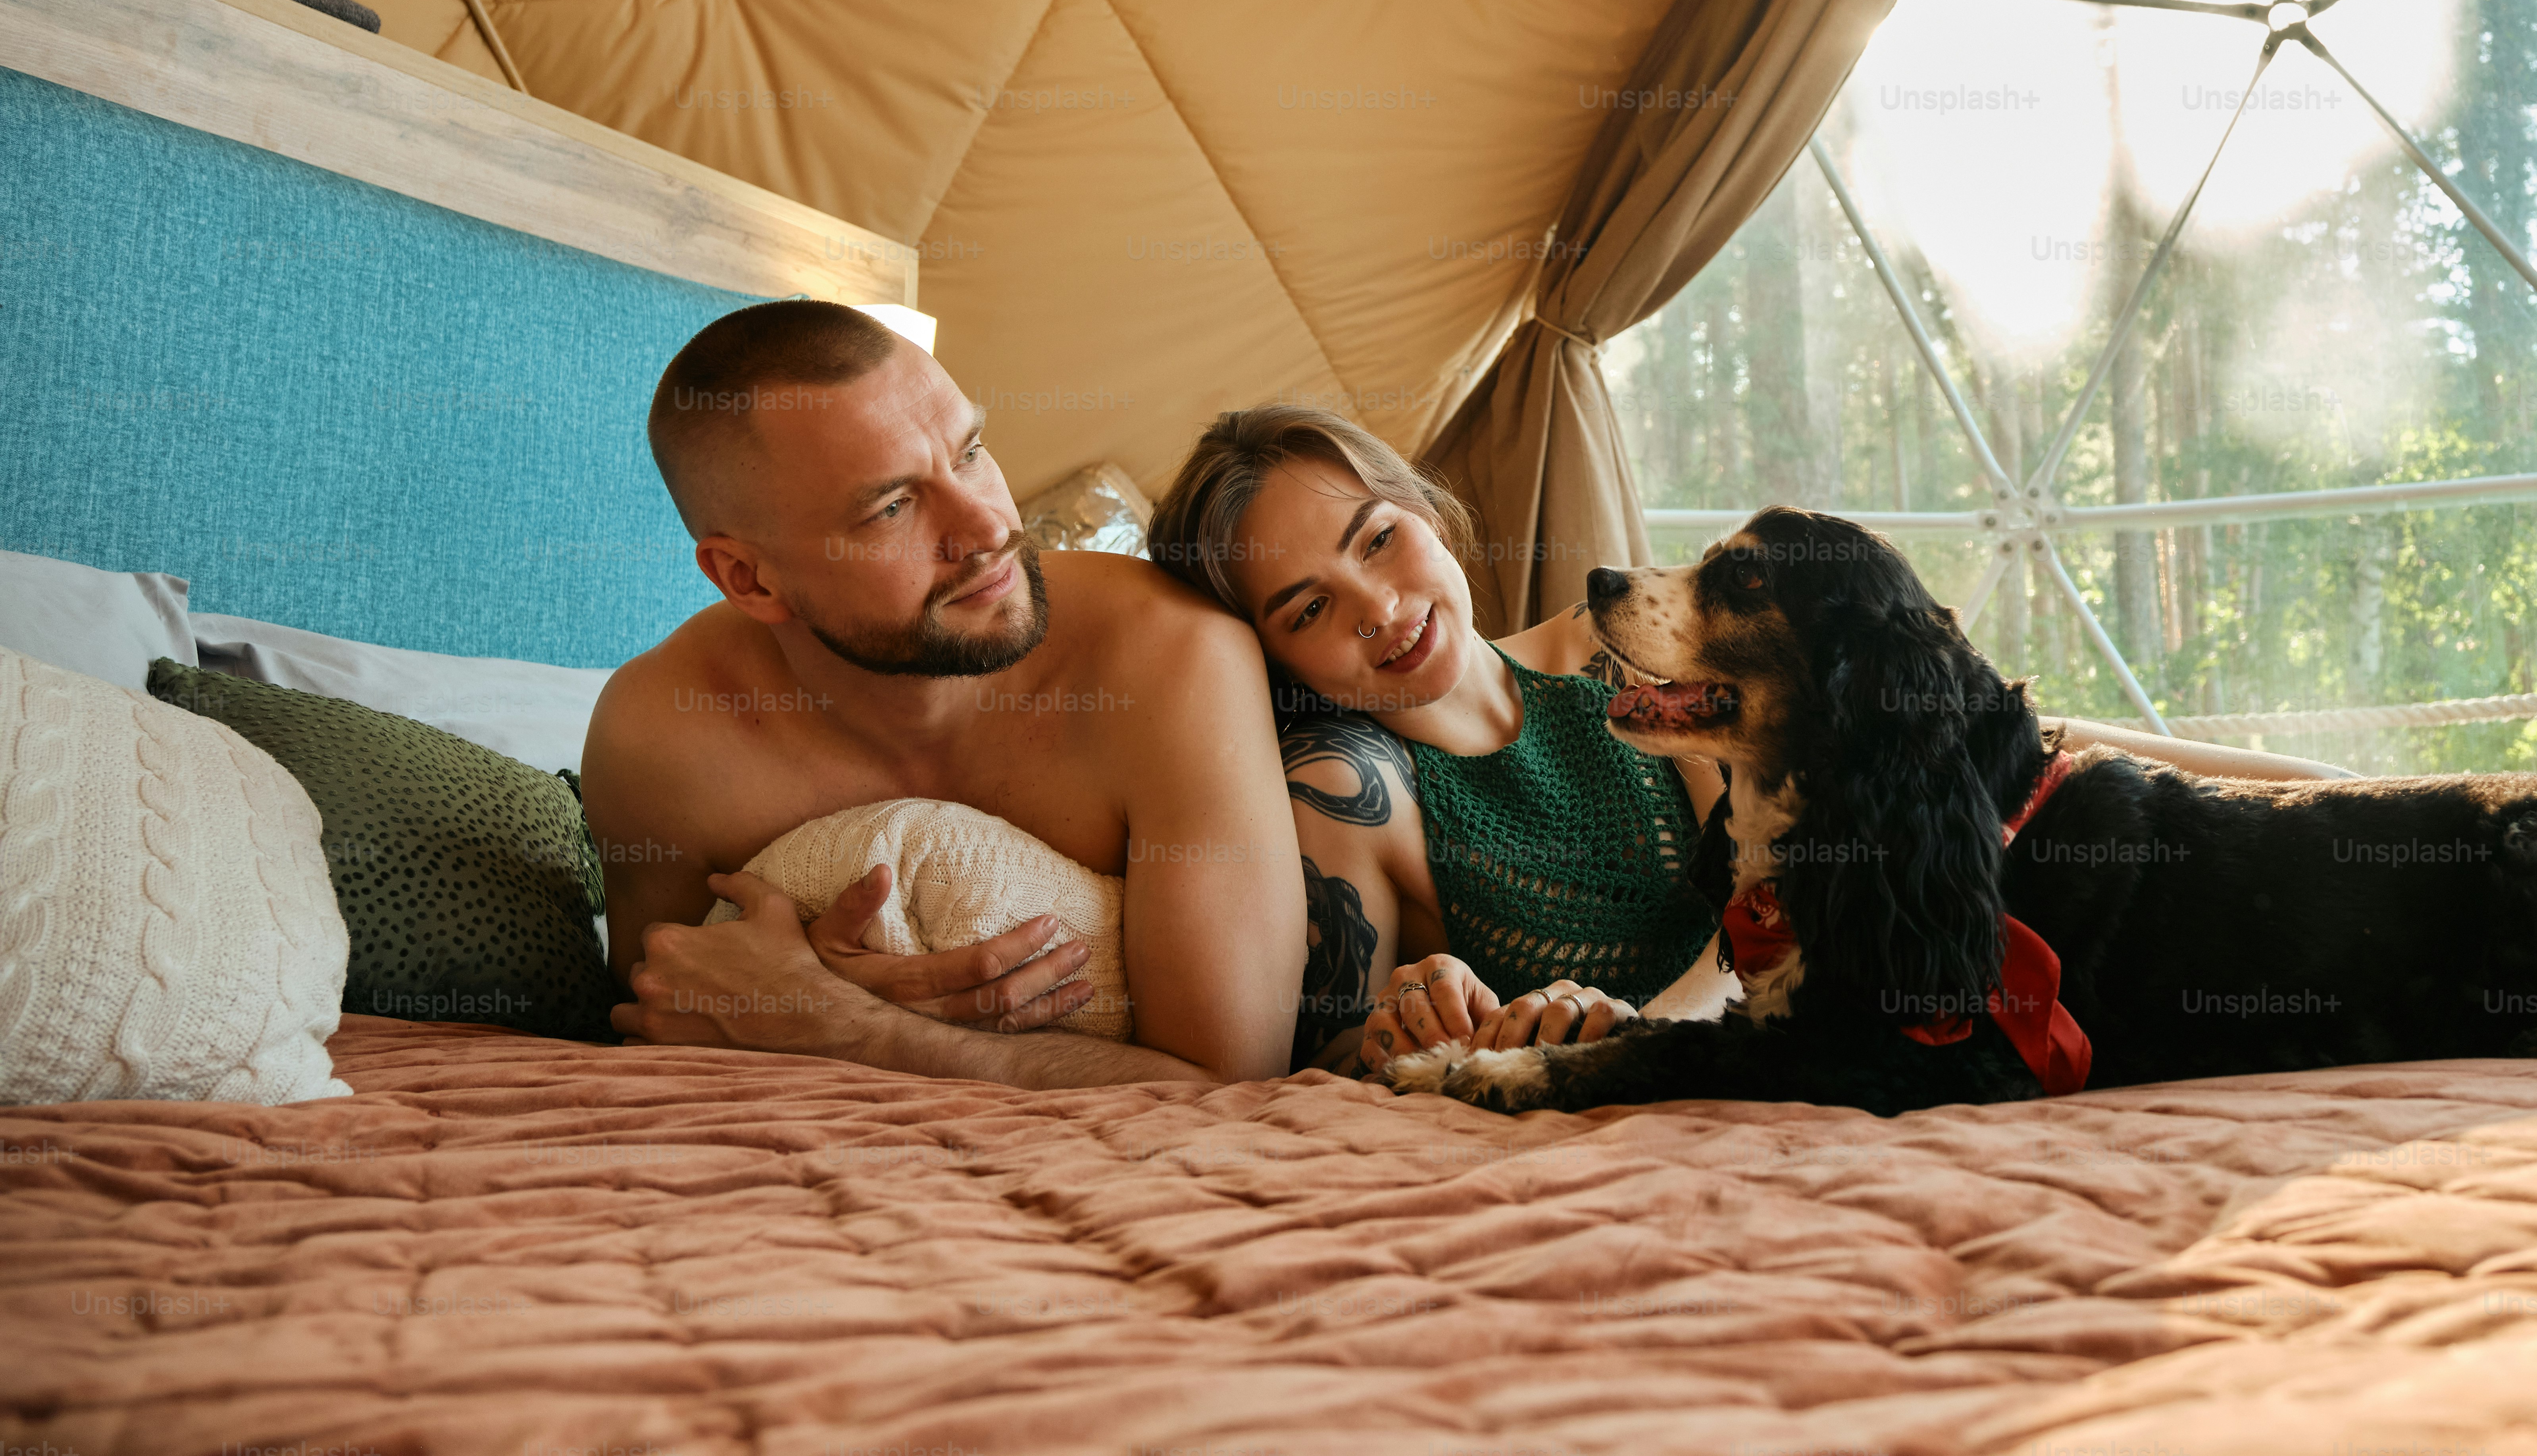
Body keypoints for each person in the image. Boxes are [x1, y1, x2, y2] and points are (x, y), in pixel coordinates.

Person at [1144, 406, 2344, 1080]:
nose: (1377, 608)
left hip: (1767, 1040)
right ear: (1271, 655)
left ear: (1426, 508)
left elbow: (2002, 748)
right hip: (1697, 1082)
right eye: (1307, 607)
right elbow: (1329, 1058)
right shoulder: (1348, 787)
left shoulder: (1613, 650)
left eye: (1377, 538)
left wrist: (2324, 796)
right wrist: (1418, 1002)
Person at [580, 302, 1301, 1088]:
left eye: (971, 452)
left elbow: (1231, 1089)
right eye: (892, 507)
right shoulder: (663, 739)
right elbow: (663, 1014)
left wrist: (840, 1024)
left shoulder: (1170, 657)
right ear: (749, 579)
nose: (988, 528)